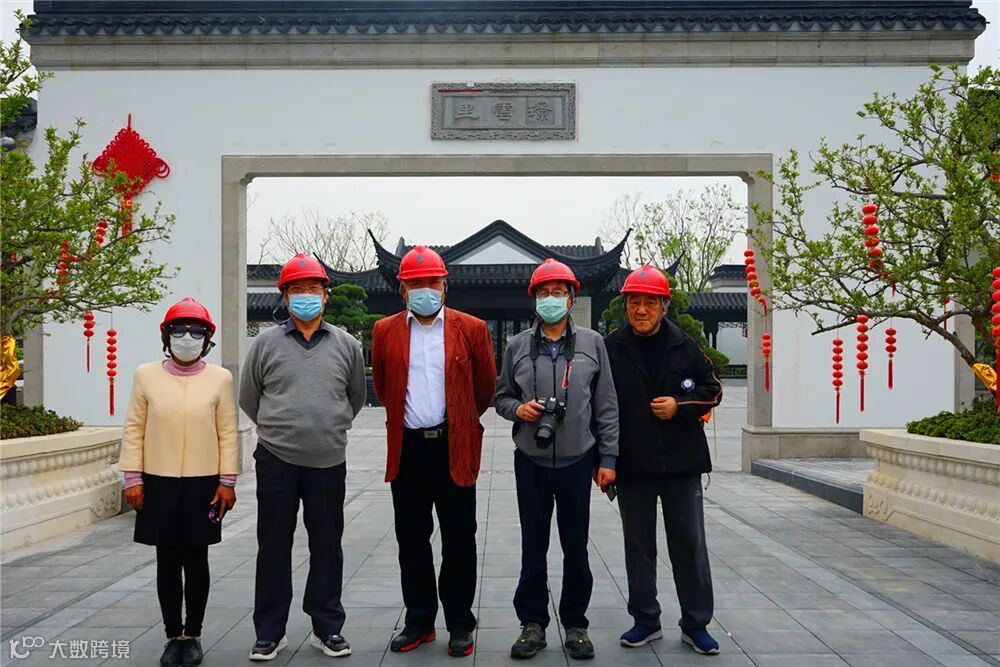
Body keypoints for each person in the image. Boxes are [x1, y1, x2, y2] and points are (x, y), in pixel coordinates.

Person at [371, 245, 496, 658]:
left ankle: (459, 622)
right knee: (412, 539)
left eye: (432, 282)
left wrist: (458, 419)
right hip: (407, 448)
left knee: (459, 538)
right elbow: (384, 386)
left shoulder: (471, 328)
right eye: (415, 283)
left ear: (444, 286)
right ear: (402, 289)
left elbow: (484, 388)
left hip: (452, 445)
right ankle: (419, 620)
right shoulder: (385, 330)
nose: (424, 289)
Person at [239, 253, 366, 661]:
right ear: (285, 296)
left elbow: (355, 397)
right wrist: (281, 429)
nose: (306, 295)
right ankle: (269, 632)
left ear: (326, 296)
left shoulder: (347, 345)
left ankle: (327, 627)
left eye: (313, 288)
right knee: (273, 545)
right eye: (297, 289)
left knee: (327, 545)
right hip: (276, 459)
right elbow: (249, 397)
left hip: (328, 460)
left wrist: (327, 427)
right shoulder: (265, 343)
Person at [494, 258, 619, 661]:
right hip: (530, 459)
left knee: (576, 546)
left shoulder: (592, 343)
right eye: (544, 292)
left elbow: (606, 406)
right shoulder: (516, 346)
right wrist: (519, 410)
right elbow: (501, 397)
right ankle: (532, 623)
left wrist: (608, 457)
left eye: (558, 292)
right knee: (533, 546)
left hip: (577, 459)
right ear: (534, 299)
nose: (551, 299)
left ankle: (576, 624)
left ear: (571, 297)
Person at [603, 265, 723, 655]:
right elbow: (598, 405)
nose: (641, 309)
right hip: (633, 465)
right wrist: (604, 460)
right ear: (625, 305)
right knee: (638, 548)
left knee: (689, 545)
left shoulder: (685, 344)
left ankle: (696, 622)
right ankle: (645, 619)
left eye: (650, 303)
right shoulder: (611, 348)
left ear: (664, 306)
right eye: (634, 302)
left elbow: (713, 389)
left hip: (681, 465)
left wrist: (680, 405)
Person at [120, 297, 238, 667]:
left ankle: (194, 634)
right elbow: (134, 427)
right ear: (166, 336)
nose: (187, 337)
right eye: (179, 330)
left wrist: (228, 480)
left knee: (197, 560)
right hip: (158, 482)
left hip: (204, 484)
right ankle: (173, 636)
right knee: (167, 561)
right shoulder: (145, 375)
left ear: (207, 339)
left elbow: (227, 431)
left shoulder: (220, 378)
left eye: (196, 331)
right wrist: (133, 478)